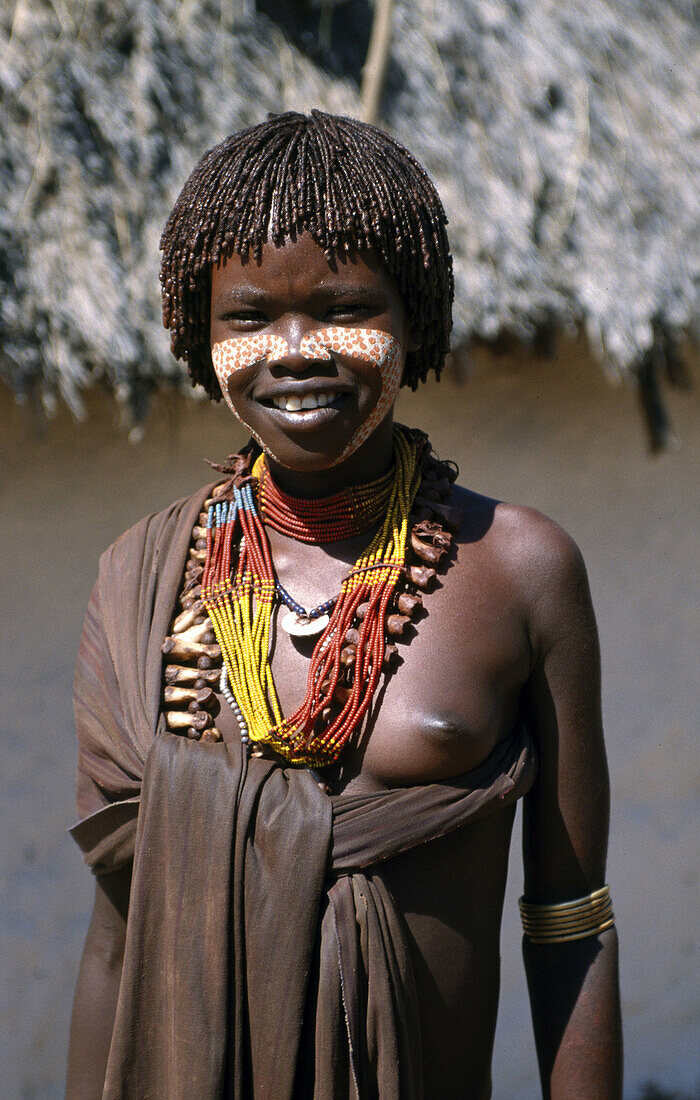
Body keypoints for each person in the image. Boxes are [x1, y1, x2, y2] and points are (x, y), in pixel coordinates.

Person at [66, 110, 622, 1099]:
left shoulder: (519, 567)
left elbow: (568, 916)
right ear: (201, 335)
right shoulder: (137, 580)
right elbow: (118, 942)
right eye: (248, 316)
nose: (295, 351)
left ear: (415, 317)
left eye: (341, 307)